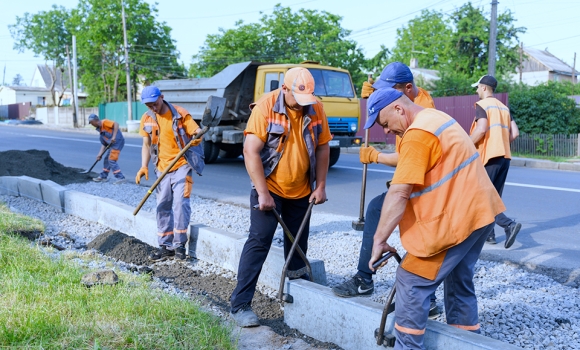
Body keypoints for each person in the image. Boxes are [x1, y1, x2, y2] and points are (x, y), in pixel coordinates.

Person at [366, 87, 505, 350]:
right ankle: (467, 343)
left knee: (411, 280)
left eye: (385, 123)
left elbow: (398, 193)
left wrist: (379, 240)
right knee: (459, 280)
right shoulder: (436, 118)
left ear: (399, 108)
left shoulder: (417, 135)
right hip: (480, 213)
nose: (385, 131)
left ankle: (407, 347)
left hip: (457, 220)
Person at [332, 62, 441, 318]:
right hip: (420, 180)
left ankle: (366, 280)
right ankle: (371, 280)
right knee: (378, 210)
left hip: (426, 187)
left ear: (407, 89)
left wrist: (376, 156)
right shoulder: (409, 101)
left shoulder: (421, 110)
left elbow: (406, 158)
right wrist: (373, 97)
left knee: (395, 218)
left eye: (389, 91)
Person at [229, 67, 331, 327]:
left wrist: (320, 186)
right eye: (298, 97)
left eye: (307, 98)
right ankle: (240, 305)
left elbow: (322, 147)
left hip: (302, 189)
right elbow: (250, 151)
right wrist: (262, 193)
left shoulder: (315, 107)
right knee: (259, 241)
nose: (303, 104)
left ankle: (298, 300)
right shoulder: (265, 107)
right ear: (284, 89)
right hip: (270, 186)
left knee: (297, 246)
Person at [136, 85, 204, 261]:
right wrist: (144, 166)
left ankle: (179, 245)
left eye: (154, 103)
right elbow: (146, 144)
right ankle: (166, 246)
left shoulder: (180, 114)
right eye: (148, 105)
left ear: (162, 97)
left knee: (180, 203)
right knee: (162, 205)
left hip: (182, 164)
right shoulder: (147, 118)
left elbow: (196, 132)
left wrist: (197, 136)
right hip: (162, 167)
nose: (152, 108)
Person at [470, 75, 521, 248]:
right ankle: (489, 235)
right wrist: (501, 142)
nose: (476, 90)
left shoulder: (482, 105)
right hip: (504, 157)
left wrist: (465, 145)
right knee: (494, 197)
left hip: (489, 157)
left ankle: (509, 225)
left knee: (483, 197)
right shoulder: (504, 108)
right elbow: (515, 133)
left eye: (477, 87)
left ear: (484, 88)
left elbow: (481, 129)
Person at [88, 113, 126, 184]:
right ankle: (103, 176)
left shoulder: (104, 122)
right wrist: (100, 154)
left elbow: (116, 124)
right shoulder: (100, 131)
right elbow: (104, 144)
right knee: (106, 159)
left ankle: (121, 178)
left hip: (118, 142)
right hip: (112, 144)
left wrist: (114, 136)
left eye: (91, 122)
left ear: (95, 120)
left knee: (111, 159)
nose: (91, 124)